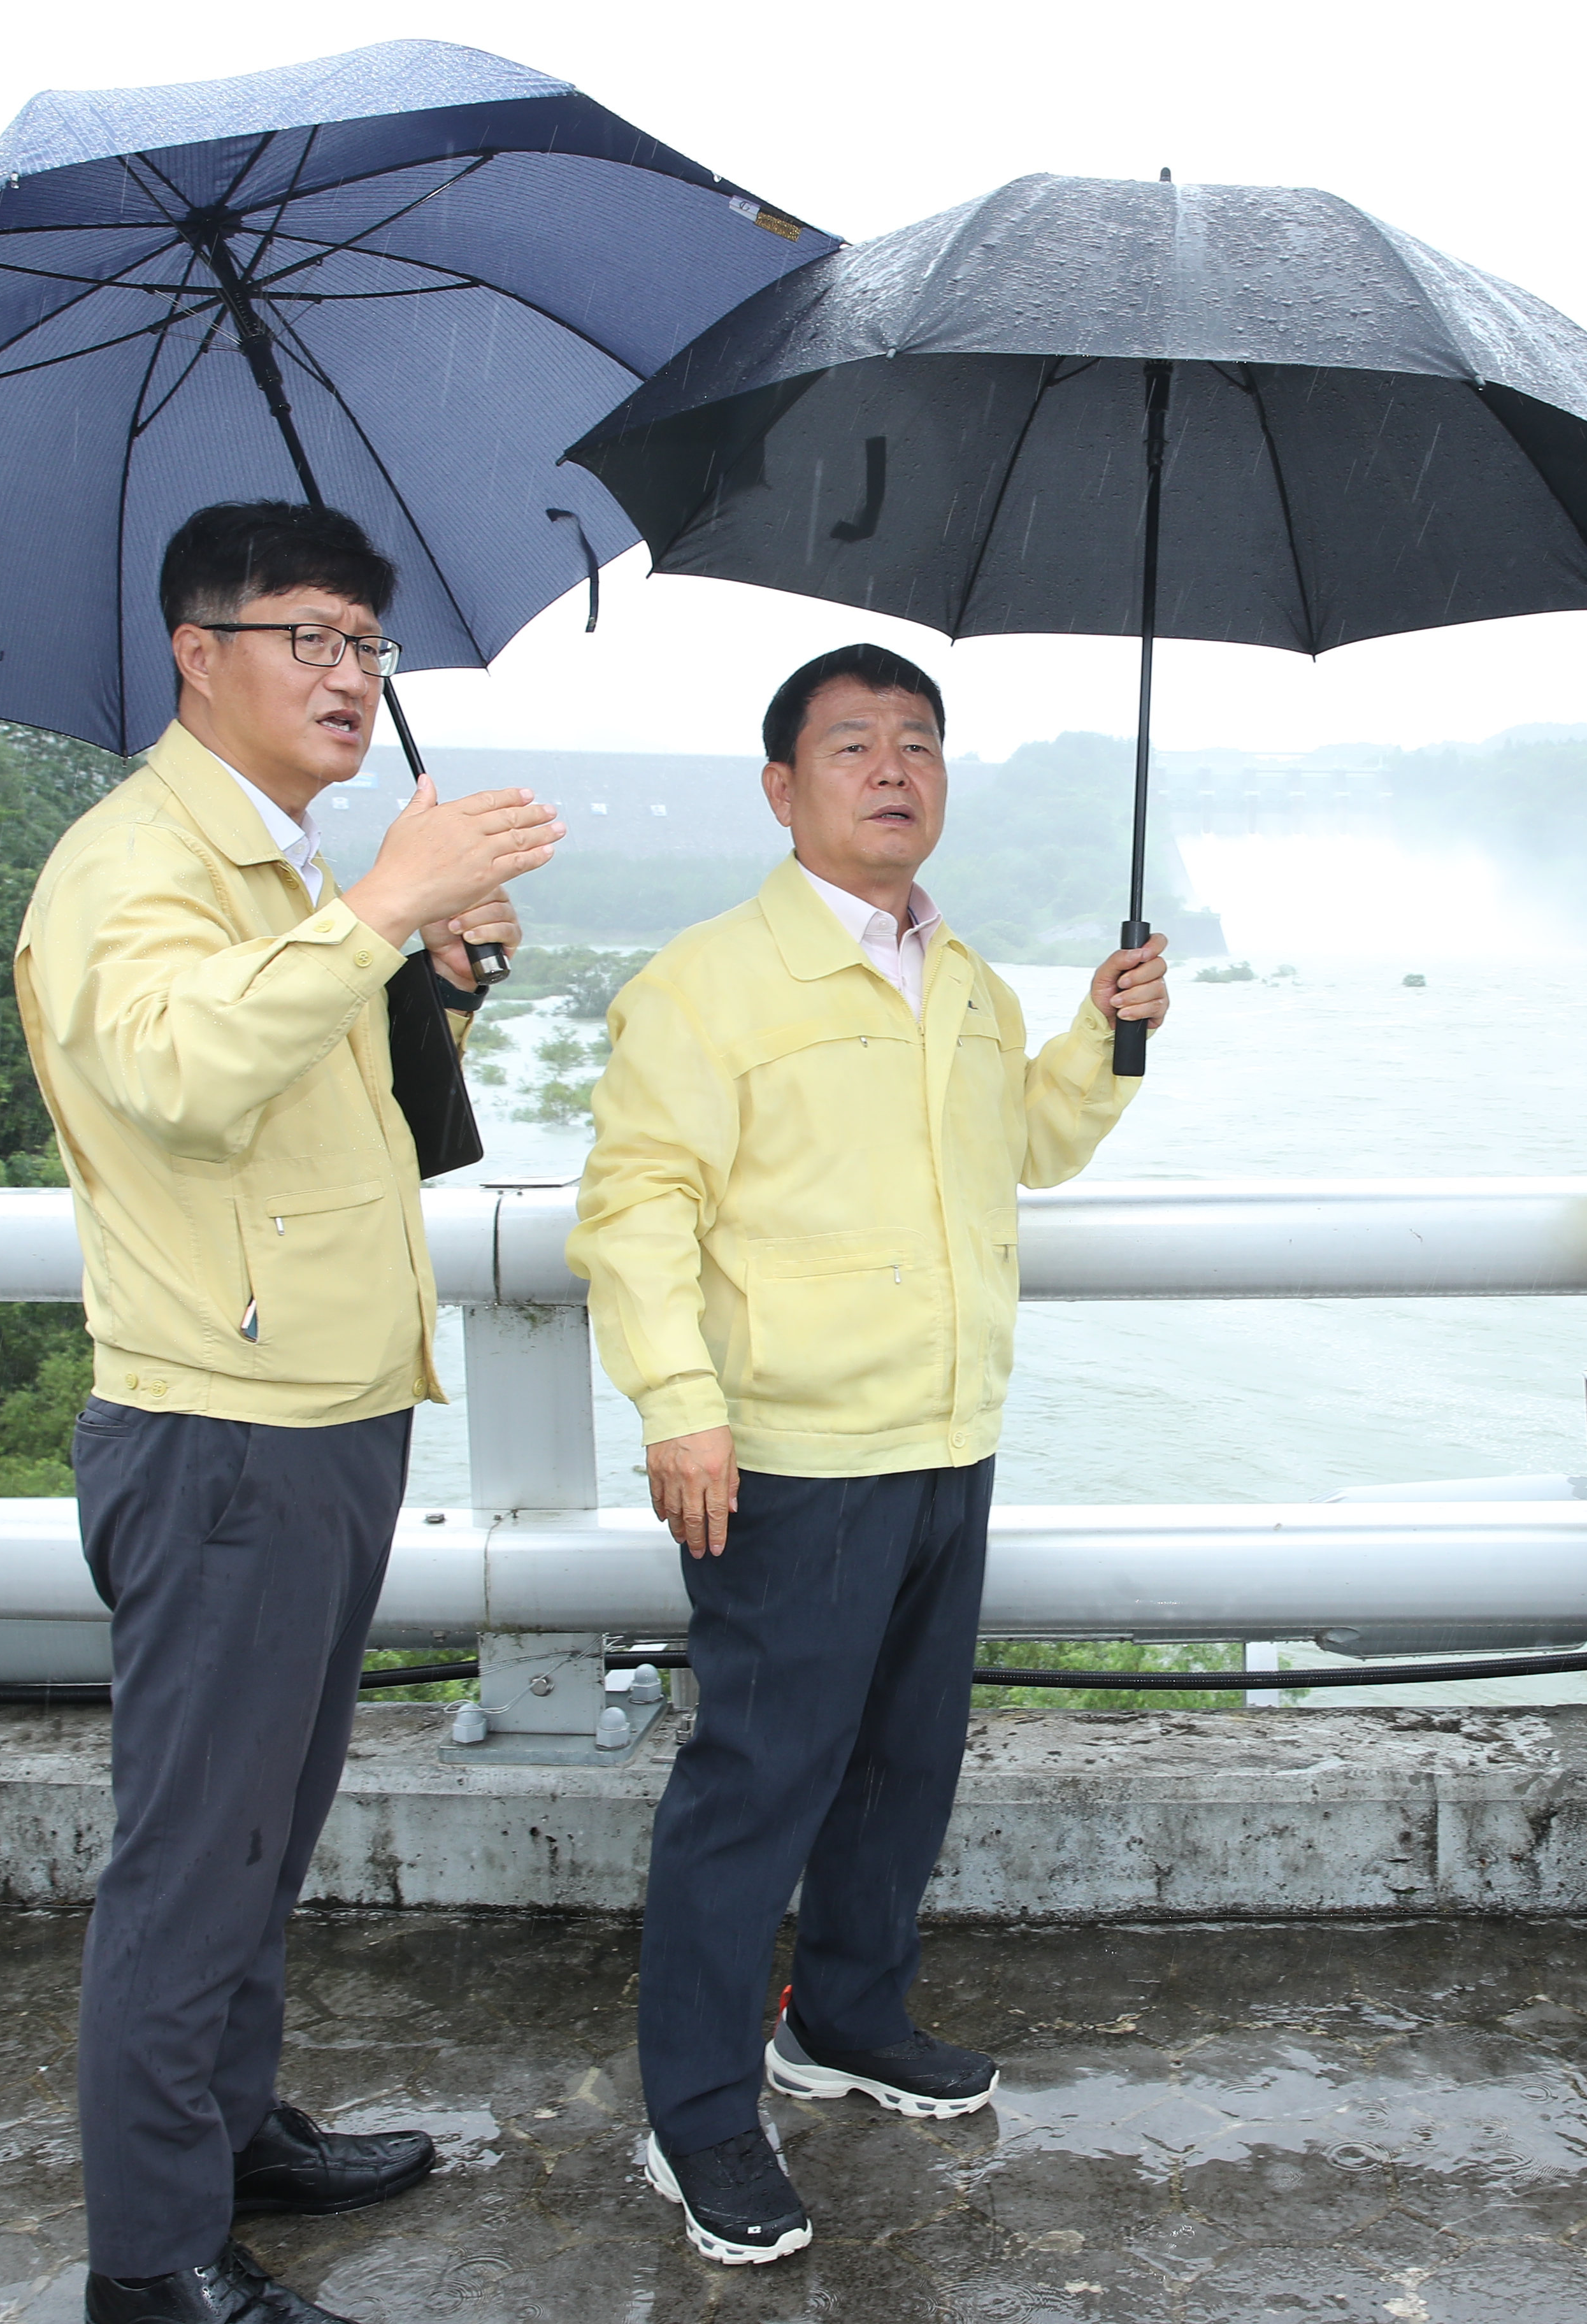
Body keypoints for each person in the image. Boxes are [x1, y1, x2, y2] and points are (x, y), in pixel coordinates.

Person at [15, 499, 561, 2324]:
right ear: (200, 653)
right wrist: (388, 902)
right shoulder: (132, 865)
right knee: (194, 1854)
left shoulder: (276, 872)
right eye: (310, 638)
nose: (348, 678)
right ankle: (156, 2261)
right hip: (222, 1428)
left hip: (324, 1407)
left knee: (269, 1820)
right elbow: (175, 1080)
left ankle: (229, 2133)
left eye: (367, 646)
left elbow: (343, 1119)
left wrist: (441, 979)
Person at [568, 642, 1170, 2265]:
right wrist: (680, 1403)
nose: (895, 769)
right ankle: (695, 2118)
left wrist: (1106, 1040)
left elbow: (1023, 1149)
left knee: (907, 1771)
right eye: (854, 746)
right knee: (755, 1790)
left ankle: (842, 2018)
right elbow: (634, 1207)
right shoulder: (707, 983)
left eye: (919, 743)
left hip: (946, 1430)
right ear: (783, 789)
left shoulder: (963, 977)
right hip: (787, 1452)